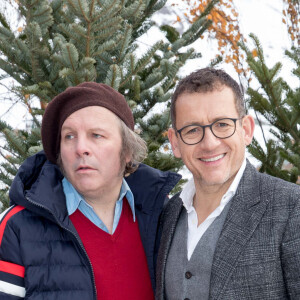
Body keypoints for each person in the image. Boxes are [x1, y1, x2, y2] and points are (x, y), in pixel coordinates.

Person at [0, 82, 180, 299]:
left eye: (96, 135)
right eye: (69, 136)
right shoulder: (16, 228)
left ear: (127, 151)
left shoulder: (163, 216)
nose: (80, 148)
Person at [155, 67, 300, 300]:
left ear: (246, 130)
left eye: (222, 124)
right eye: (192, 130)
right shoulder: (167, 215)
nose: (210, 143)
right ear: (175, 142)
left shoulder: (292, 207)